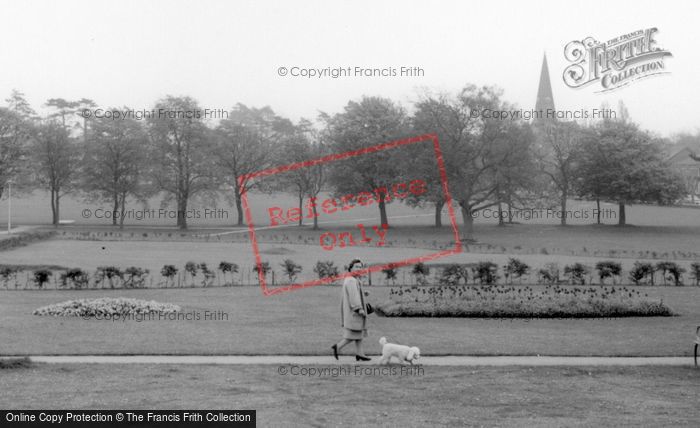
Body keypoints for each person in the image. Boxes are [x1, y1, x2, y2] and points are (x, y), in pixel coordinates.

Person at [332, 259, 371, 361]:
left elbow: (354, 293)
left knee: (358, 333)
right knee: (353, 333)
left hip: (351, 310)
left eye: (360, 267)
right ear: (351, 268)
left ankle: (359, 353)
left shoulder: (353, 279)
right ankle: (338, 346)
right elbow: (353, 297)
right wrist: (359, 309)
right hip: (354, 311)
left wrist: (363, 293)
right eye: (356, 267)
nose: (359, 269)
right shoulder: (351, 280)